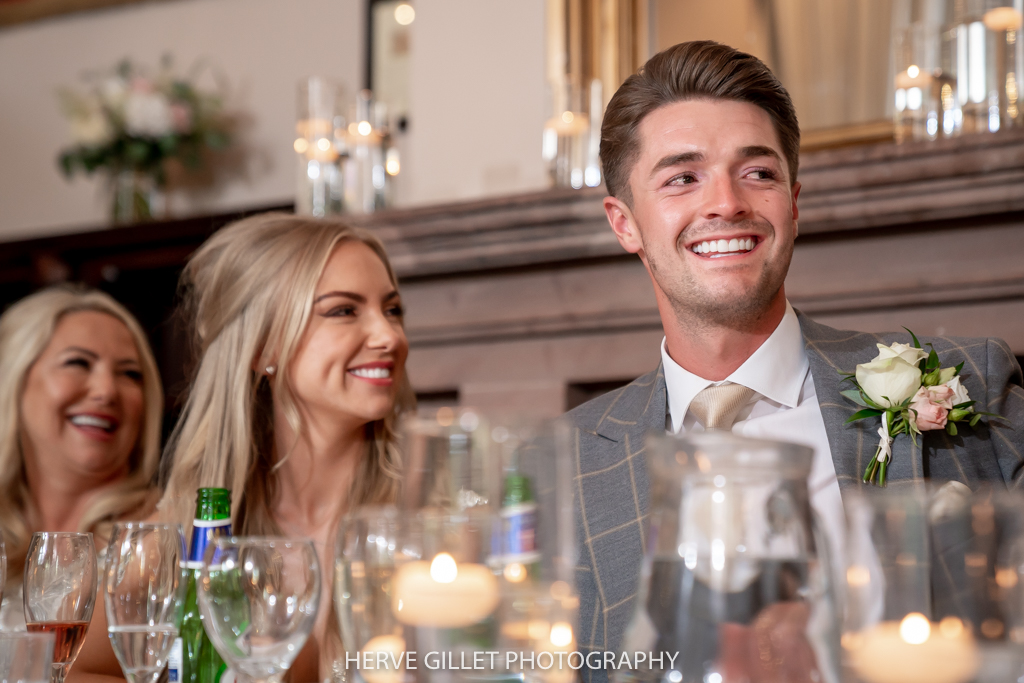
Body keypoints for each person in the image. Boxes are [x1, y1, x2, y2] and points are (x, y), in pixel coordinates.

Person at [566, 40, 1024, 682]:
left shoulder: (969, 378)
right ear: (625, 223)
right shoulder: (571, 461)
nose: (726, 203)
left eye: (758, 172)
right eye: (682, 178)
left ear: (793, 201)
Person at [156, 213, 413, 682]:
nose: (389, 336)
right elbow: (69, 669)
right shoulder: (186, 531)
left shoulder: (433, 521)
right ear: (263, 349)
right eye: (343, 310)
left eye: (392, 310)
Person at [0, 286, 164, 682]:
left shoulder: (158, 538)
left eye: (130, 374)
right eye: (78, 363)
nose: (106, 391)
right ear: (14, 378)